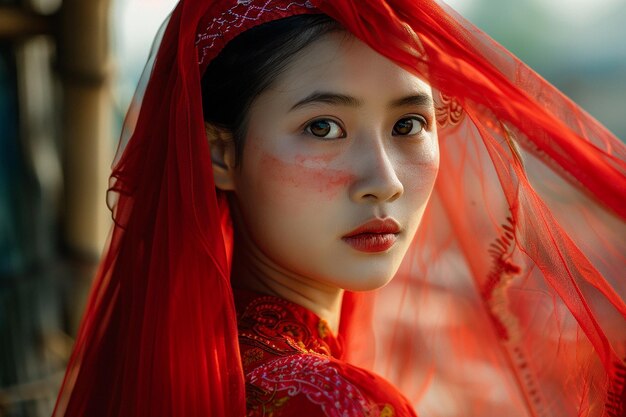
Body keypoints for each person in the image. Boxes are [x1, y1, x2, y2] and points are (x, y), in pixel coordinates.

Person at [52, 1, 626, 416]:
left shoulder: (188, 374)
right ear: (219, 154)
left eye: (409, 124)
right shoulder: (334, 403)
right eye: (323, 127)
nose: (383, 182)